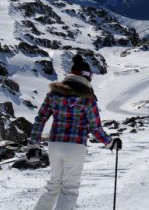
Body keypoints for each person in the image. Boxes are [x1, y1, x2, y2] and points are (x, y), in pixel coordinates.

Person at [29, 54, 122, 210]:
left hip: (55, 143)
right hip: (76, 145)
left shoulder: (54, 94)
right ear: (86, 77)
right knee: (69, 189)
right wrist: (110, 142)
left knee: (53, 184)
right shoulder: (88, 98)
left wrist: (34, 145)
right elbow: (95, 128)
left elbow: (40, 119)